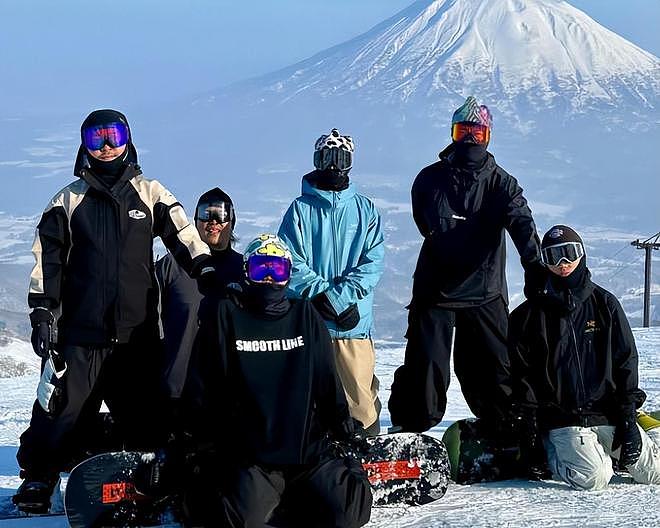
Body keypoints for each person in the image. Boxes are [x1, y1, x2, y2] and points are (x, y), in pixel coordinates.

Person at [13, 109, 212, 513]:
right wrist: (42, 312)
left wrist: (205, 269)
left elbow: (183, 235)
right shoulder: (68, 200)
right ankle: (39, 477)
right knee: (60, 410)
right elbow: (47, 261)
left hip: (136, 335)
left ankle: (153, 481)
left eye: (114, 136)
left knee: (147, 420)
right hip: (79, 336)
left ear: (129, 140)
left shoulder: (149, 192)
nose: (106, 146)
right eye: (95, 138)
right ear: (83, 144)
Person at [172, 234, 372, 527]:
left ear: (288, 275)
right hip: (252, 456)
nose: (268, 279)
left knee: (349, 514)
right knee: (241, 520)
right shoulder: (227, 315)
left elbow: (327, 382)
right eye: (260, 269)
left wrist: (343, 428)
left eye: (277, 270)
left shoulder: (305, 315)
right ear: (246, 273)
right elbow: (204, 385)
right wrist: (197, 441)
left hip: (307, 451)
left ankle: (312, 488)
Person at [388, 96, 543, 433]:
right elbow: (424, 222)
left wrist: (534, 265)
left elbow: (522, 222)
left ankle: (505, 429)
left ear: (488, 137)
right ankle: (409, 428)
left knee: (492, 370)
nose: (470, 140)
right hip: (435, 289)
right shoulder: (429, 179)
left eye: (477, 134)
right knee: (425, 368)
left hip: (484, 291)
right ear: (453, 134)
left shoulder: (502, 183)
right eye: (464, 132)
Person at [509, 224, 660, 490]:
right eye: (555, 256)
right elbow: (522, 376)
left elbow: (626, 361)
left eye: (570, 253)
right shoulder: (528, 316)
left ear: (582, 254)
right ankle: (560, 454)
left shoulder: (605, 304)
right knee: (594, 478)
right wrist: (530, 430)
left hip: (607, 412)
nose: (564, 263)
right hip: (563, 419)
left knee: (654, 474)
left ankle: (632, 435)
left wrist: (627, 418)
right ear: (545, 261)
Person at [278, 128, 385, 436]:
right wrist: (321, 296)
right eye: (328, 158)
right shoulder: (300, 209)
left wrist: (340, 299)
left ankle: (366, 455)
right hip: (312, 324)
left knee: (359, 400)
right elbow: (289, 260)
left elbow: (373, 262)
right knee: (310, 400)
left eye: (341, 158)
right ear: (317, 160)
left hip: (354, 325)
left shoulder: (365, 210)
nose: (334, 166)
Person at [156, 187, 243, 403]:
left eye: (220, 214)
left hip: (229, 392)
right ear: (194, 221)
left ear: (231, 221)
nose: (213, 222)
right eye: (205, 214)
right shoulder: (171, 267)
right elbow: (149, 322)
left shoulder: (246, 269)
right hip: (177, 389)